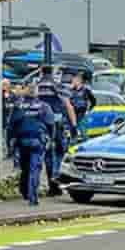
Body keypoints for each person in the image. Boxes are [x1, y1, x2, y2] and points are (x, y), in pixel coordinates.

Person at [8, 83, 54, 206]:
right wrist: (51, 139)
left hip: (22, 141)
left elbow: (11, 126)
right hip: (38, 141)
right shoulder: (44, 106)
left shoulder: (18, 106)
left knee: (25, 167)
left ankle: (25, 191)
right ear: (37, 93)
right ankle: (32, 197)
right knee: (35, 169)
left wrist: (10, 142)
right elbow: (51, 124)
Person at [36, 67, 77, 195]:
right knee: (60, 151)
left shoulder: (37, 86)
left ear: (41, 72)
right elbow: (68, 105)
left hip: (41, 124)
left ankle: (51, 185)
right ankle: (57, 180)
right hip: (57, 124)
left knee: (47, 154)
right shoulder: (58, 86)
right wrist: (74, 125)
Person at [69, 73, 97, 138]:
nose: (72, 81)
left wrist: (89, 110)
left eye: (74, 80)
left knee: (83, 133)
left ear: (79, 81)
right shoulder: (71, 90)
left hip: (82, 115)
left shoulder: (86, 90)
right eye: (73, 80)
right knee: (73, 134)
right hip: (73, 115)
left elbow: (93, 101)